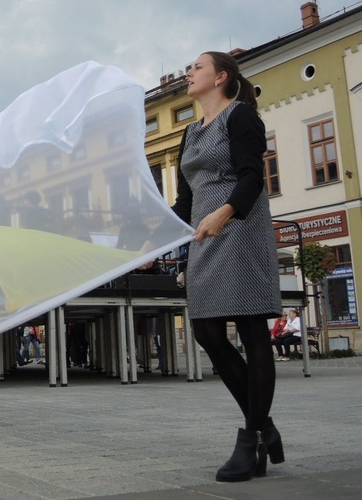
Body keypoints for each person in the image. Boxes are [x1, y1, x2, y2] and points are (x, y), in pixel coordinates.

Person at [149, 51, 284, 482]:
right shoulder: (191, 132)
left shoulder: (240, 117)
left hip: (239, 228)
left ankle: (251, 439)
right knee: (206, 330)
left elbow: (251, 177)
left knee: (250, 328)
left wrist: (224, 214)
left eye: (197, 67)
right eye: (189, 68)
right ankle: (264, 427)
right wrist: (159, 236)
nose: (189, 72)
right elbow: (186, 199)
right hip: (203, 235)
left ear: (221, 77)